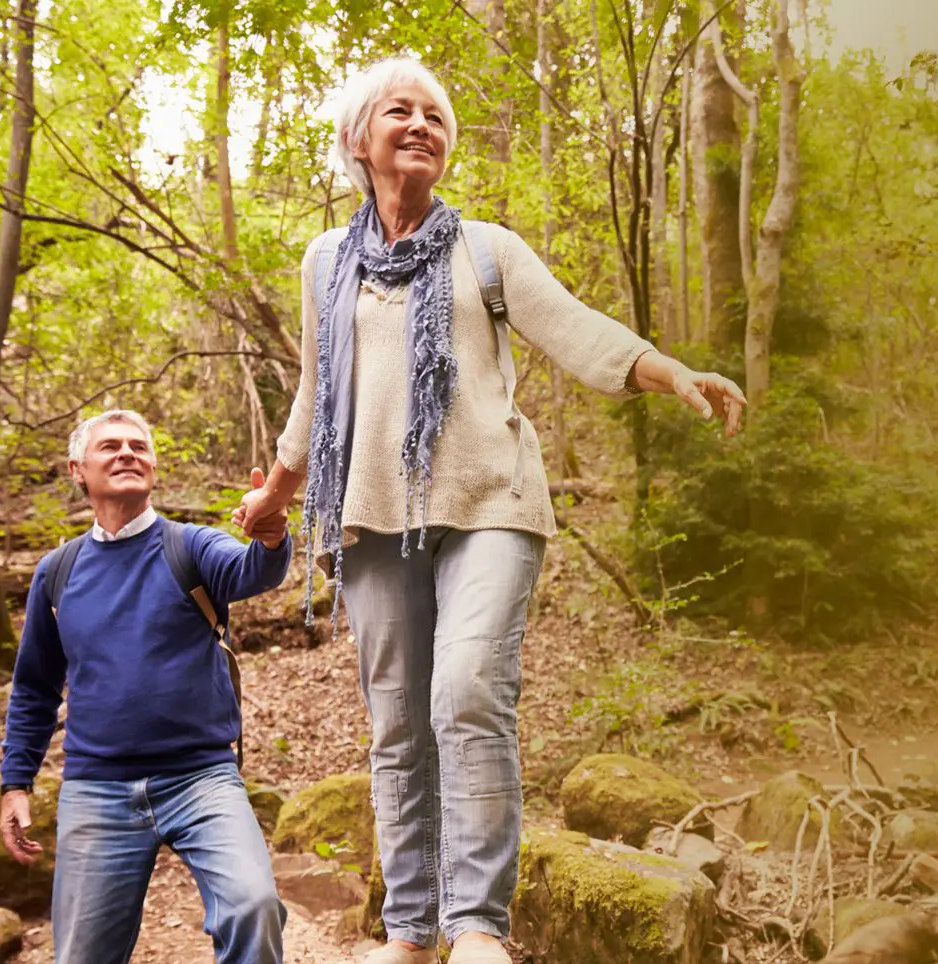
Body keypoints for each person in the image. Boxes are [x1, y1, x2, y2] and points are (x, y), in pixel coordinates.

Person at [231, 58, 746, 964]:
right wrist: (277, 493)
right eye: (402, 110)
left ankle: (476, 927)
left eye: (436, 114)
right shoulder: (325, 262)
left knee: (467, 690)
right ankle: (411, 930)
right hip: (373, 512)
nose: (423, 123)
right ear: (360, 139)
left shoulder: (486, 250)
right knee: (396, 720)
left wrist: (671, 373)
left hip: (490, 502)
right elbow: (319, 392)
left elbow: (577, 329)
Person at [0, 409, 293, 964]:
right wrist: (16, 782)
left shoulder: (190, 548)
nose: (127, 453)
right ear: (77, 470)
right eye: (109, 446)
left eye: (138, 445)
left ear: (154, 466)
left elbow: (255, 569)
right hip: (97, 788)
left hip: (201, 777)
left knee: (254, 906)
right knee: (82, 954)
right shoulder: (56, 573)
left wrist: (272, 532)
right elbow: (35, 688)